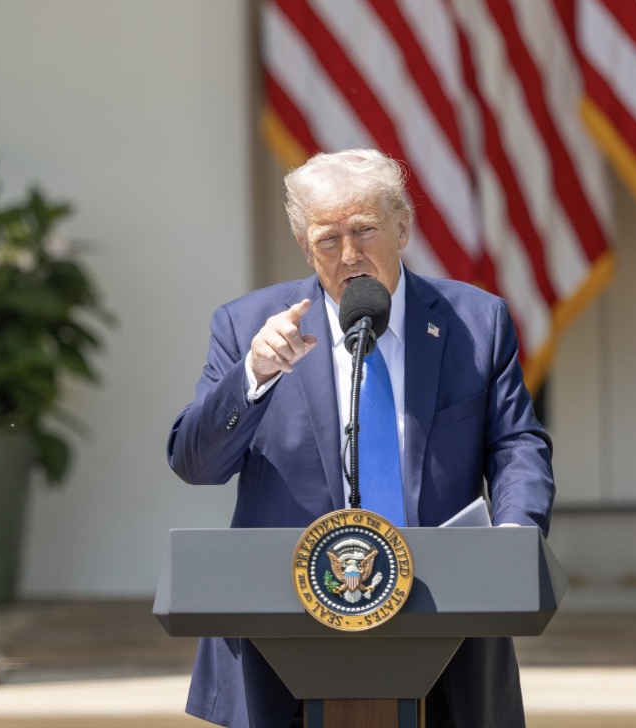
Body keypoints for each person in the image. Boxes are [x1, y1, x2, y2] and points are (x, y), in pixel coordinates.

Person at [167, 149, 555, 727]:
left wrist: (516, 535)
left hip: (446, 623)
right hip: (282, 638)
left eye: (365, 230)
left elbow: (516, 444)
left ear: (403, 227)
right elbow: (194, 462)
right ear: (304, 245)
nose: (349, 255)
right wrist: (254, 377)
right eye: (327, 239)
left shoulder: (475, 321)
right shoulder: (249, 326)